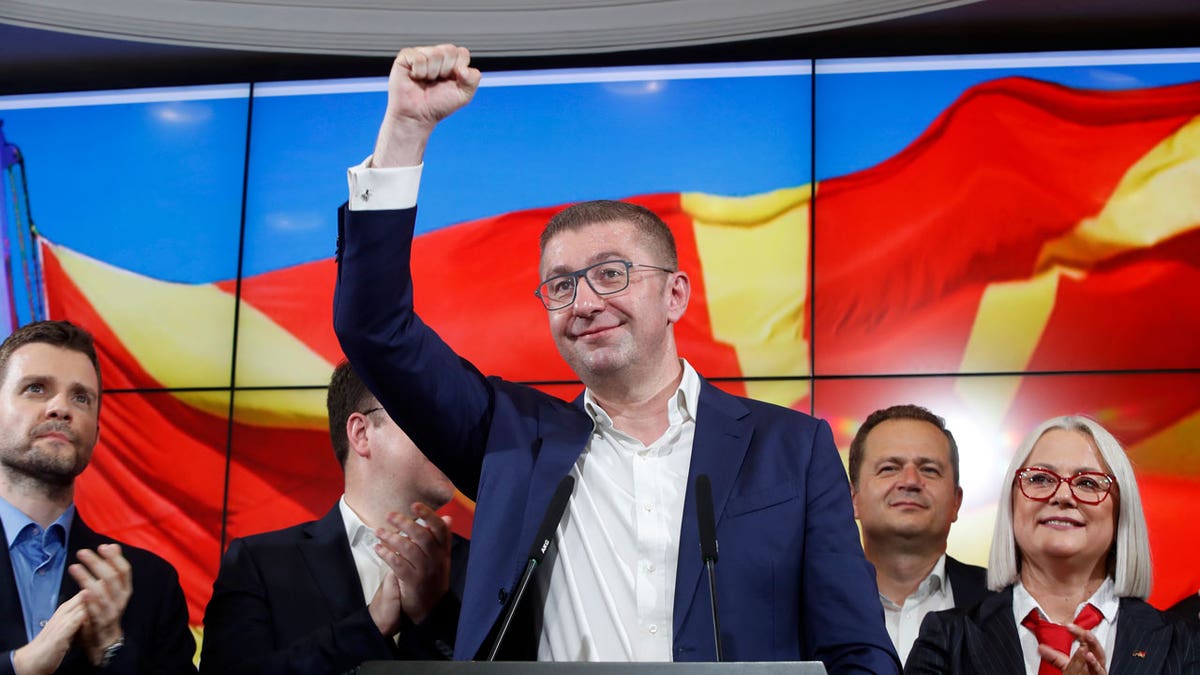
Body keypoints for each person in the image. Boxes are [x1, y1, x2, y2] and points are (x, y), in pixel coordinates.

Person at [333, 44, 898, 672]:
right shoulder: (512, 440)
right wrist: (405, 131)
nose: (585, 302)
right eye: (561, 285)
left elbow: (855, 650)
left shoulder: (793, 448)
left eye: (610, 273)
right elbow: (375, 326)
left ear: (675, 293)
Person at [199, 361, 467, 674]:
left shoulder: (490, 567)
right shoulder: (259, 563)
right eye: (428, 414)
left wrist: (434, 614)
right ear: (361, 432)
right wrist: (371, 624)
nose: (453, 434)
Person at [905, 415, 1200, 674]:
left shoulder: (1183, 642)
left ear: (1122, 509)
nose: (1062, 496)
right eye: (1041, 479)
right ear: (1011, 504)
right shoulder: (947, 638)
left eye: (1087, 483)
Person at [0, 320, 196, 675]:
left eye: (81, 397)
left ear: (96, 431)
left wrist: (111, 647)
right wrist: (19, 666)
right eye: (36, 388)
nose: (61, 407)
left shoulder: (151, 584)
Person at [848, 404, 990, 664]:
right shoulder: (806, 605)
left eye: (929, 470)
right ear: (853, 499)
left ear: (956, 502)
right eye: (889, 468)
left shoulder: (1002, 602)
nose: (911, 481)